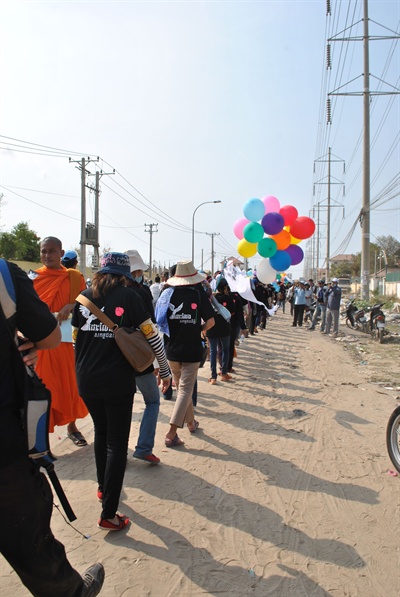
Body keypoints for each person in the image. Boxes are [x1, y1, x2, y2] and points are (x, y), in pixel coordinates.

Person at [0, 259, 104, 597]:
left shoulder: (70, 280)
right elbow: (45, 335)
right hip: (4, 443)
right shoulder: (5, 276)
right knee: (27, 533)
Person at [72, 253, 170, 531]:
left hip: (86, 379)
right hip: (116, 381)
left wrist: (82, 369)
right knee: (116, 443)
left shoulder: (83, 297)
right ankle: (109, 514)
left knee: (101, 434)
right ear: (126, 276)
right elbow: (152, 336)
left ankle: (103, 487)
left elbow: (76, 341)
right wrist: (164, 370)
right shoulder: (130, 298)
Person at [31, 236, 89, 446]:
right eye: (44, 251)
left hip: (66, 344)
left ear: (61, 253)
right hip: (41, 343)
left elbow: (87, 304)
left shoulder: (74, 277)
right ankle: (41, 438)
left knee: (70, 385)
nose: (48, 255)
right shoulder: (33, 278)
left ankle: (72, 427)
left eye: (52, 251)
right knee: (43, 387)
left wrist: (72, 305)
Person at [155, 260, 215, 447]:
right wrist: (200, 329)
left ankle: (191, 423)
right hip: (191, 350)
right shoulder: (198, 296)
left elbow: (159, 321)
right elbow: (211, 321)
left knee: (182, 389)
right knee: (185, 390)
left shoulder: (166, 295)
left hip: (171, 350)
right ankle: (171, 432)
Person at [127, 250, 171, 465]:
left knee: (121, 405)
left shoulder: (103, 292)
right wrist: (159, 364)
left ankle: (116, 449)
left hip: (116, 360)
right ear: (135, 271)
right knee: (152, 401)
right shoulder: (141, 292)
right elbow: (150, 329)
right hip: (140, 358)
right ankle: (144, 447)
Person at [207, 278, 234, 384]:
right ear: (225, 287)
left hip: (212, 327)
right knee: (225, 350)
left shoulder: (211, 298)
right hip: (224, 328)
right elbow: (231, 313)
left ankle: (213, 377)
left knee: (213, 351)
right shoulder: (228, 298)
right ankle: (223, 373)